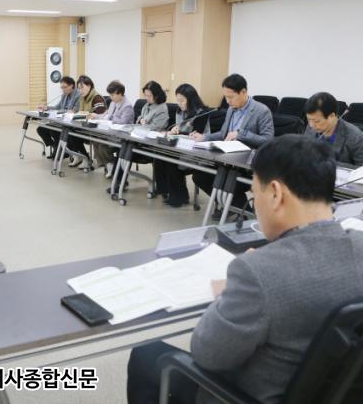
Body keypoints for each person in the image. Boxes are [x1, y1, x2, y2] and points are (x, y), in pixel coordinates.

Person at [127, 134, 363, 404]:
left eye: (253, 193)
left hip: (244, 396)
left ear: (275, 193)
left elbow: (208, 354)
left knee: (146, 354)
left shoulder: (256, 272)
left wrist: (226, 293)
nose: (254, 203)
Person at [191, 74, 274, 212]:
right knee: (200, 176)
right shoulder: (231, 109)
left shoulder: (261, 111)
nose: (227, 101)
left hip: (244, 164)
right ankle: (229, 207)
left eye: (231, 97)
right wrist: (204, 137)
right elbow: (224, 134)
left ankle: (243, 212)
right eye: (225, 97)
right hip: (225, 159)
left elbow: (268, 140)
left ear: (243, 92)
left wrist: (241, 134)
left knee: (228, 181)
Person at [157, 84, 208, 207]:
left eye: (182, 101)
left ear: (191, 99)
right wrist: (173, 131)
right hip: (180, 147)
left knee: (171, 158)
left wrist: (179, 132)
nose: (179, 104)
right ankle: (166, 191)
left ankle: (179, 197)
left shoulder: (202, 113)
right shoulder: (179, 111)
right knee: (159, 156)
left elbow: (195, 136)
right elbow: (178, 129)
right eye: (178, 100)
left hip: (196, 151)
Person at [305, 92, 363, 167]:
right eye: (309, 120)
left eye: (317, 121)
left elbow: (361, 169)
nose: (311, 125)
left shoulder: (356, 137)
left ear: (332, 116)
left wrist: (327, 163)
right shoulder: (310, 128)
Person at [92, 80, 135, 176]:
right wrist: (96, 116)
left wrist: (111, 117)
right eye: (110, 95)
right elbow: (106, 115)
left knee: (102, 146)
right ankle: (108, 164)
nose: (110, 97)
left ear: (120, 94)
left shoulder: (127, 106)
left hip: (122, 137)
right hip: (111, 132)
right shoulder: (113, 103)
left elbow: (122, 122)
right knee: (96, 140)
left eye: (112, 95)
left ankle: (112, 164)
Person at [37, 76, 81, 159]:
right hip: (61, 120)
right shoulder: (64, 95)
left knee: (53, 130)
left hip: (71, 122)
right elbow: (58, 107)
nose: (63, 89)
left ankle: (62, 150)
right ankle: (56, 147)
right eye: (61, 88)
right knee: (41, 129)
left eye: (65, 87)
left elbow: (75, 111)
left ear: (71, 85)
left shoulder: (78, 95)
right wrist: (47, 107)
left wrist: (62, 111)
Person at [67, 75, 106, 169]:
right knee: (67, 132)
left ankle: (86, 158)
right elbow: (82, 113)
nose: (80, 90)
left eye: (82, 88)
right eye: (79, 88)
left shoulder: (97, 98)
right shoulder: (82, 97)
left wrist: (84, 115)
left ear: (89, 86)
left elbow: (100, 115)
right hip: (85, 126)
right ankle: (79, 156)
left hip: (96, 130)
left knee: (73, 135)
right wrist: (75, 114)